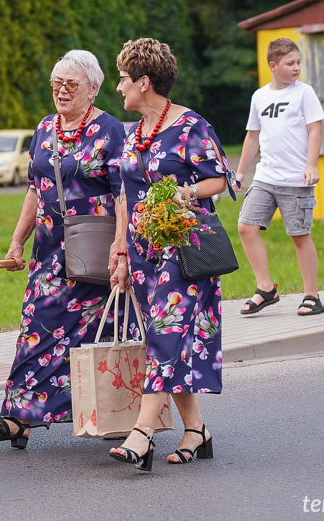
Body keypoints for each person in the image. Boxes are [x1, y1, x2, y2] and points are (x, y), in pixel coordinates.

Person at [0, 49, 127, 448]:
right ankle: (18, 416)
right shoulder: (45, 128)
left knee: (100, 332)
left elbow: (123, 193)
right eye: (56, 83)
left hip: (95, 249)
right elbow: (34, 188)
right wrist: (16, 241)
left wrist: (121, 245)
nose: (61, 90)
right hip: (49, 251)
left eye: (71, 84)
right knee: (35, 329)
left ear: (93, 89)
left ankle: (115, 411)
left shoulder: (110, 131)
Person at [110, 38, 226, 472]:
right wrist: (121, 249)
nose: (119, 88)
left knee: (164, 330)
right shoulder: (134, 131)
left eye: (123, 80)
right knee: (168, 338)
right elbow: (124, 193)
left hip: (184, 247)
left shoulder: (191, 125)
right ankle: (196, 431)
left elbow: (218, 180)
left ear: (144, 82)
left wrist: (184, 192)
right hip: (143, 252)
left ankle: (142, 432)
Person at [235, 38, 324, 316]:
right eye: (290, 63)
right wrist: (240, 171)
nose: (296, 68)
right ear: (273, 66)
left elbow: (315, 131)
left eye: (298, 62)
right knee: (245, 227)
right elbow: (253, 136)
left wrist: (311, 165)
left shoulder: (304, 93)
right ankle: (265, 288)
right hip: (266, 177)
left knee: (299, 235)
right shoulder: (260, 96)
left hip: (296, 181)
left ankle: (312, 295)